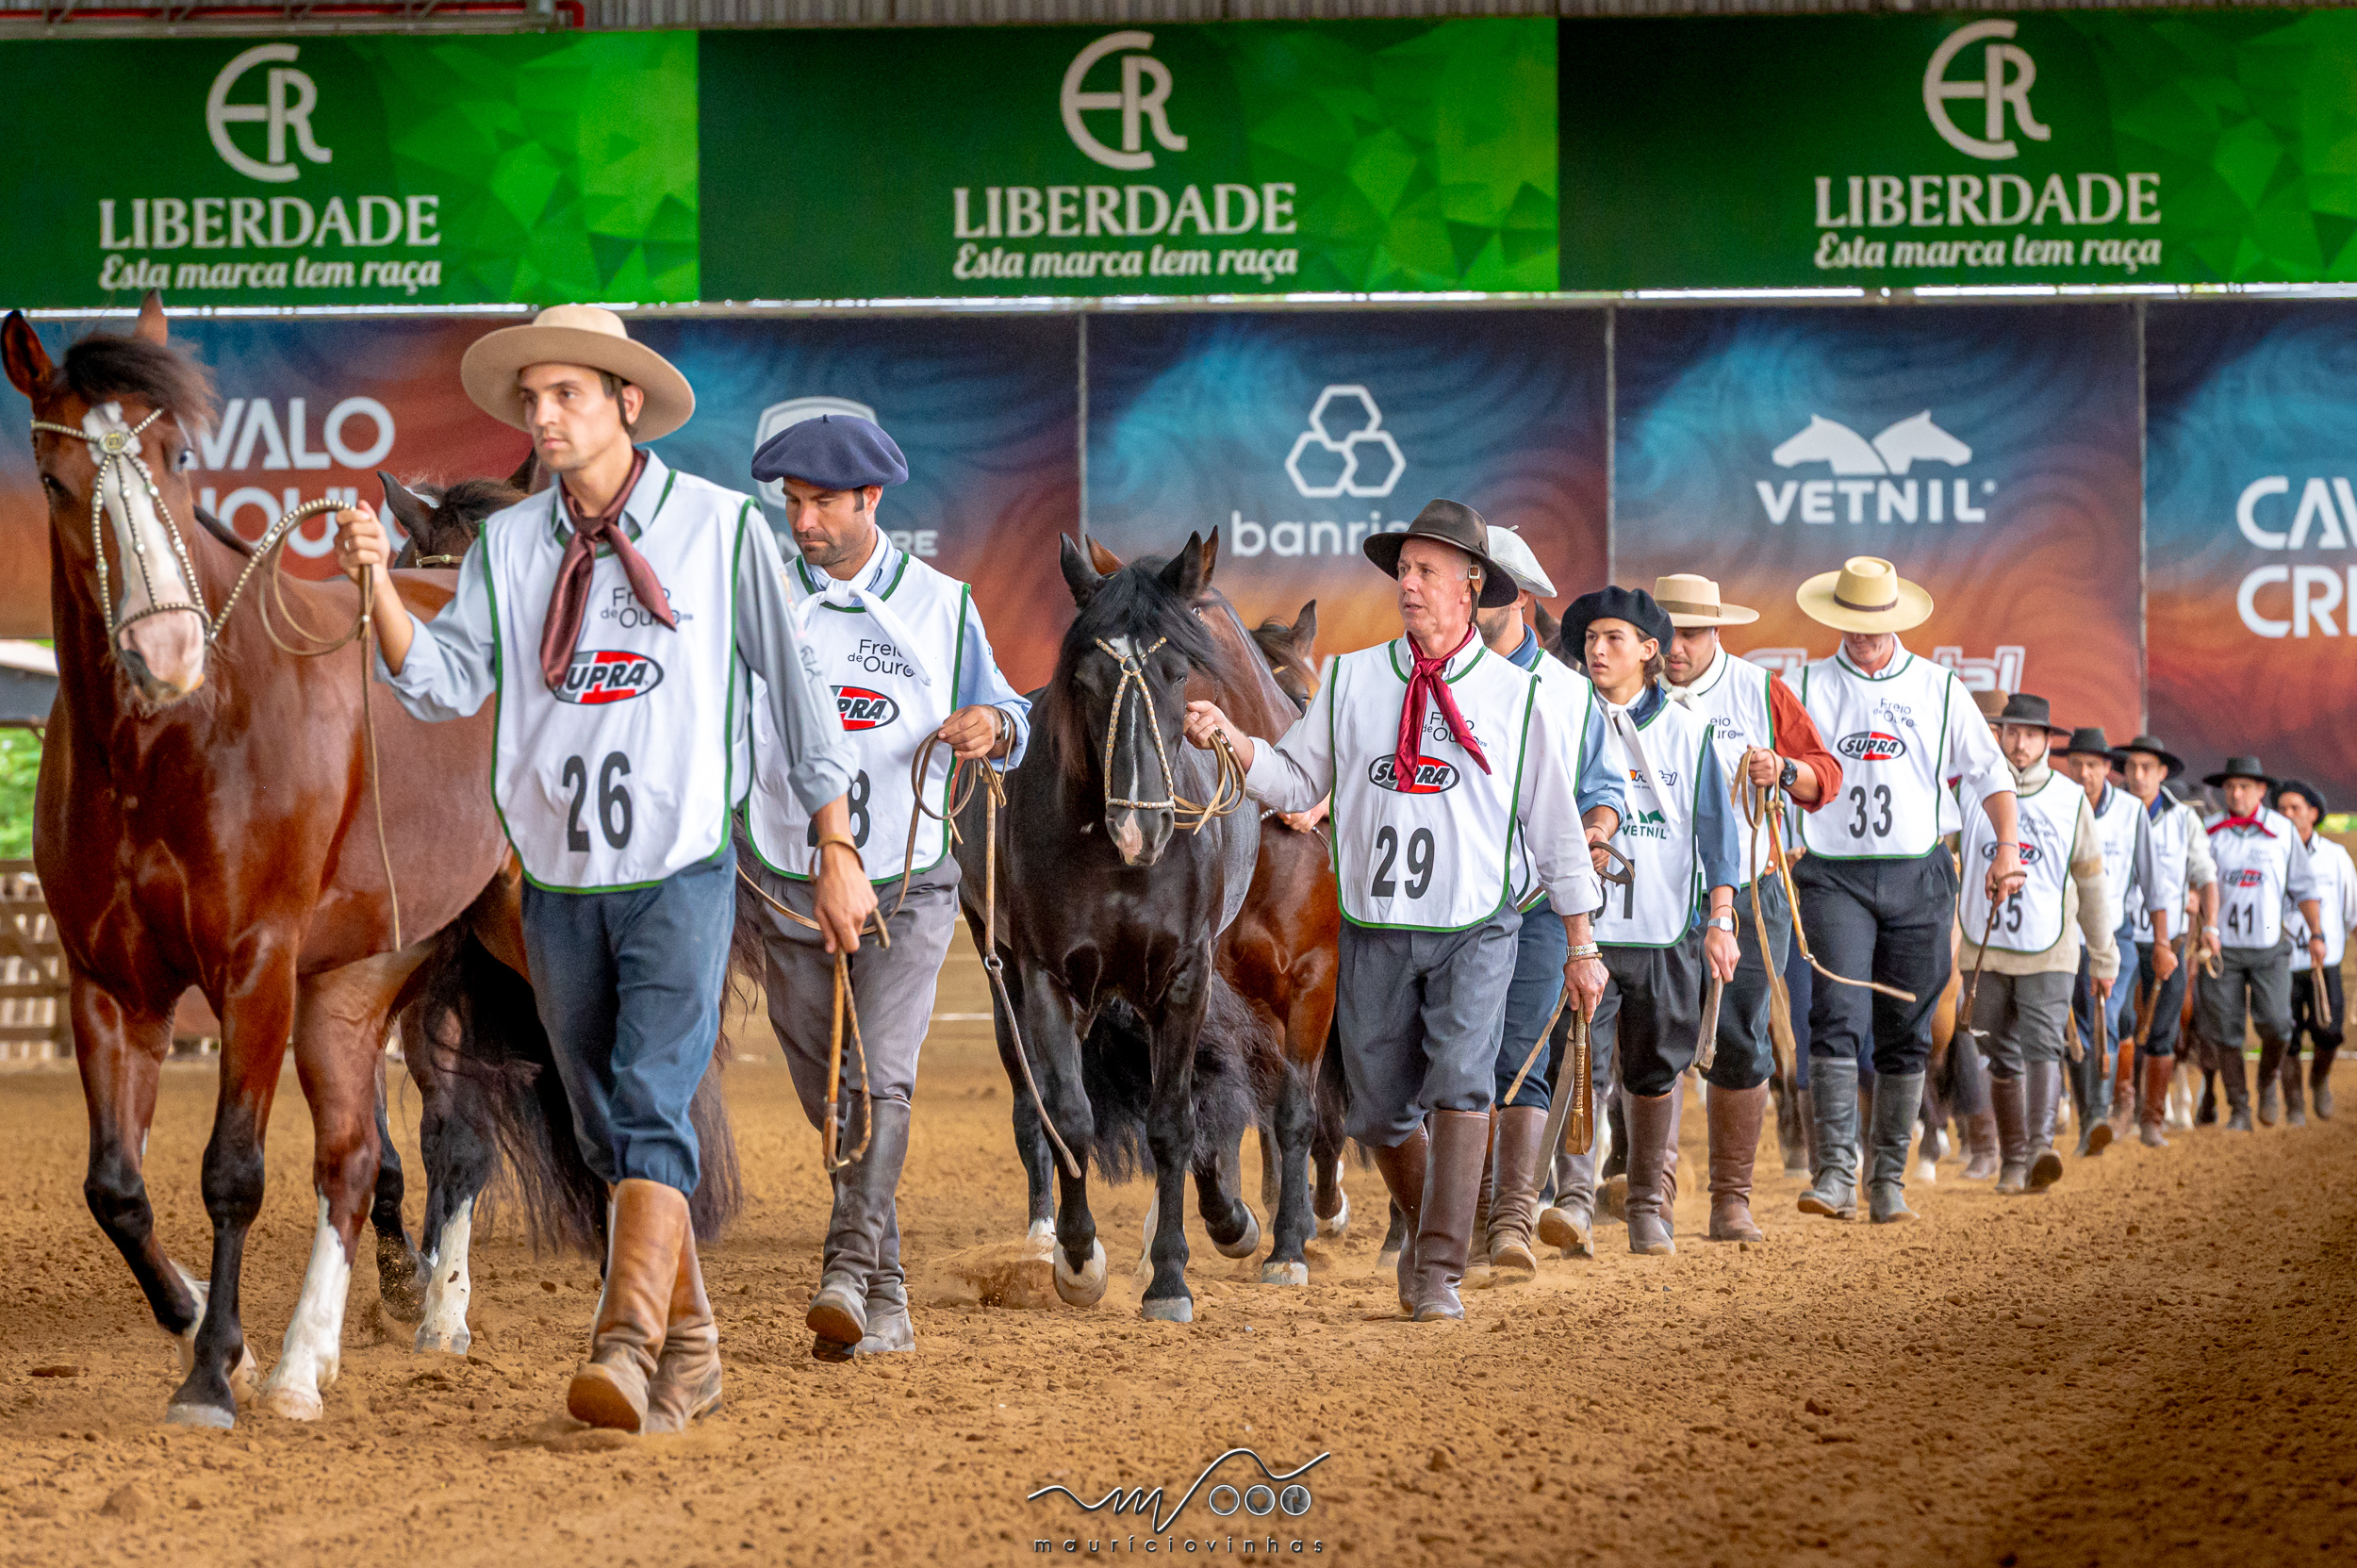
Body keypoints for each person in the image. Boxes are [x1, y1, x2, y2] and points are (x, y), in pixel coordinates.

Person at [330, 305, 871, 1433]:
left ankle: (624, 1345)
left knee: (653, 1097)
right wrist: (380, 585)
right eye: (531, 400)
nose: (543, 416)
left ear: (627, 402)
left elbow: (798, 695)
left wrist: (834, 842)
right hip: (559, 879)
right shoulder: (507, 547)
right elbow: (438, 683)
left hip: (681, 866)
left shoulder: (723, 531)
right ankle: (698, 1343)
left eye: (565, 394)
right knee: (597, 1129)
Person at [1180, 500, 1607, 1322]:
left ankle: (1440, 1268)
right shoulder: (1350, 677)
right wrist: (1233, 738)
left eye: (1425, 571)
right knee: (1376, 1112)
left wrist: (1582, 941)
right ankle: (1430, 1223)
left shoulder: (1521, 701)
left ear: (1471, 586)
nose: (1407, 585)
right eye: (1402, 570)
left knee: (1461, 1082)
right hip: (1374, 924)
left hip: (1480, 924)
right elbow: (1299, 783)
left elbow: (1553, 829)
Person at [737, 413, 1030, 1361]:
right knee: (835, 1100)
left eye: (823, 502)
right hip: (783, 879)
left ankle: (845, 1265)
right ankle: (888, 1291)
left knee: (883, 1078)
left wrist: (994, 721)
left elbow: (1013, 709)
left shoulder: (943, 605)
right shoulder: (759, 597)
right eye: (792, 502)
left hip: (910, 877)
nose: (804, 520)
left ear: (871, 500)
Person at [1791, 558, 2020, 1223]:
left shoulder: (1939, 687)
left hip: (1920, 873)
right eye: (1851, 623)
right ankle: (1835, 1171)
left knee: (1911, 1027)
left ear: (1896, 621)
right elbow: (1778, 771)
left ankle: (1887, 1177)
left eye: (1875, 624)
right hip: (1833, 870)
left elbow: (1989, 773)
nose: (1862, 634)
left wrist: (2006, 848)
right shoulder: (1803, 685)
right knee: (1835, 1014)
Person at [1551, 586, 1740, 1255]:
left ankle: (1644, 1205)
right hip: (1583, 934)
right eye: (1592, 639)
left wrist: (1722, 917)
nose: (1598, 651)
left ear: (1649, 650)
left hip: (1664, 931)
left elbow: (1719, 835)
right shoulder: (1564, 717)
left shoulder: (1691, 732)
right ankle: (1572, 1201)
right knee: (1580, 1061)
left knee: (1656, 1067)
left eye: (1614, 639)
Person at [1656, 572, 1841, 1243]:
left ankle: (1730, 1196)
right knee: (1652, 1034)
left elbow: (1826, 773)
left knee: (1743, 1032)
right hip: (1656, 887)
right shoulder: (1626, 687)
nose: (1675, 647)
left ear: (1716, 633)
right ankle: (1651, 1196)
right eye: (1667, 632)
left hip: (1754, 885)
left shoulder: (1760, 690)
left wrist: (1784, 772)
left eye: (1691, 633)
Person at [1465, 526, 1624, 1274]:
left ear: (1522, 599)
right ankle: (1460, 1208)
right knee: (1458, 1057)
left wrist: (1593, 831)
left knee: (1522, 1054)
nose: (1472, 598)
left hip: (1536, 901)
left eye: (1487, 586)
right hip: (1454, 902)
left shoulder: (1569, 694)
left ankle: (1510, 1218)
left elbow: (1605, 787)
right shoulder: (1440, 678)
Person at [1956, 697, 2118, 1195]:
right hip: (1983, 945)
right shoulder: (1968, 790)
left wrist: (2104, 952)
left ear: (2048, 741)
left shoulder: (2071, 800)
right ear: (1999, 736)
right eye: (2011, 733)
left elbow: (2091, 882)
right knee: (1998, 1052)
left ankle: (2041, 1147)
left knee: (2044, 1041)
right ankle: (2013, 1158)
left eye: (2031, 734)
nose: (2020, 743)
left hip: (2051, 945)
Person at [2197, 756, 2327, 1131]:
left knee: (2277, 1024)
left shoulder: (2283, 831)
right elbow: (2195, 882)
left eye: (2245, 787)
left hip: (2270, 946)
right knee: (2225, 1029)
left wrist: (2316, 934)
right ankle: (2239, 1108)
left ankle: (2267, 1078)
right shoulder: (2209, 830)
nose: (2236, 794)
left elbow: (2304, 886)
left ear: (2261, 791)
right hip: (2222, 950)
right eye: (2230, 787)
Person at [2051, 727, 2160, 1152]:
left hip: (2115, 937)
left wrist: (2165, 941)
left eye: (2092, 764)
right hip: (2060, 939)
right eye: (2075, 763)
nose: (2083, 773)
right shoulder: (2056, 805)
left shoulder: (2132, 812)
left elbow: (2153, 882)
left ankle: (2096, 1115)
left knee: (2103, 1020)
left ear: (2108, 769)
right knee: (2072, 1030)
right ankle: (2087, 1119)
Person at [2107, 734, 2215, 1146]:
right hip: (2120, 933)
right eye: (2132, 767)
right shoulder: (2112, 812)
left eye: (2147, 767)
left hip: (2168, 937)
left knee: (2166, 1026)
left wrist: (2211, 926)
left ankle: (2152, 1119)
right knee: (2120, 1019)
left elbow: (2205, 874)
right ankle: (2123, 1108)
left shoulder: (2183, 818)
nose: (2138, 775)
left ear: (2162, 772)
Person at [2271, 780, 2351, 1123]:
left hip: (2325, 963)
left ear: (2313, 813)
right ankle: (2294, 1104)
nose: (2288, 815)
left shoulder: (2336, 857)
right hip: (2283, 964)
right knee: (2286, 1037)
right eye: (2282, 808)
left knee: (2329, 1033)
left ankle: (2319, 1080)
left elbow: (2353, 910)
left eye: (2295, 808)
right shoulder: (2270, 854)